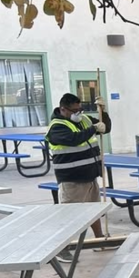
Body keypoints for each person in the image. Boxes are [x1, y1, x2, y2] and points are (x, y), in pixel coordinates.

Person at [46, 93, 111, 257]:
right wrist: (94, 129)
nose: (78, 113)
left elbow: (105, 127)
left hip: (90, 175)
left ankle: (99, 239)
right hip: (71, 178)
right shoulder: (57, 126)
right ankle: (62, 249)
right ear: (63, 109)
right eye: (74, 110)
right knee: (69, 216)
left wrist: (103, 111)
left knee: (94, 211)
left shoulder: (84, 120)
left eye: (80, 109)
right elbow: (74, 139)